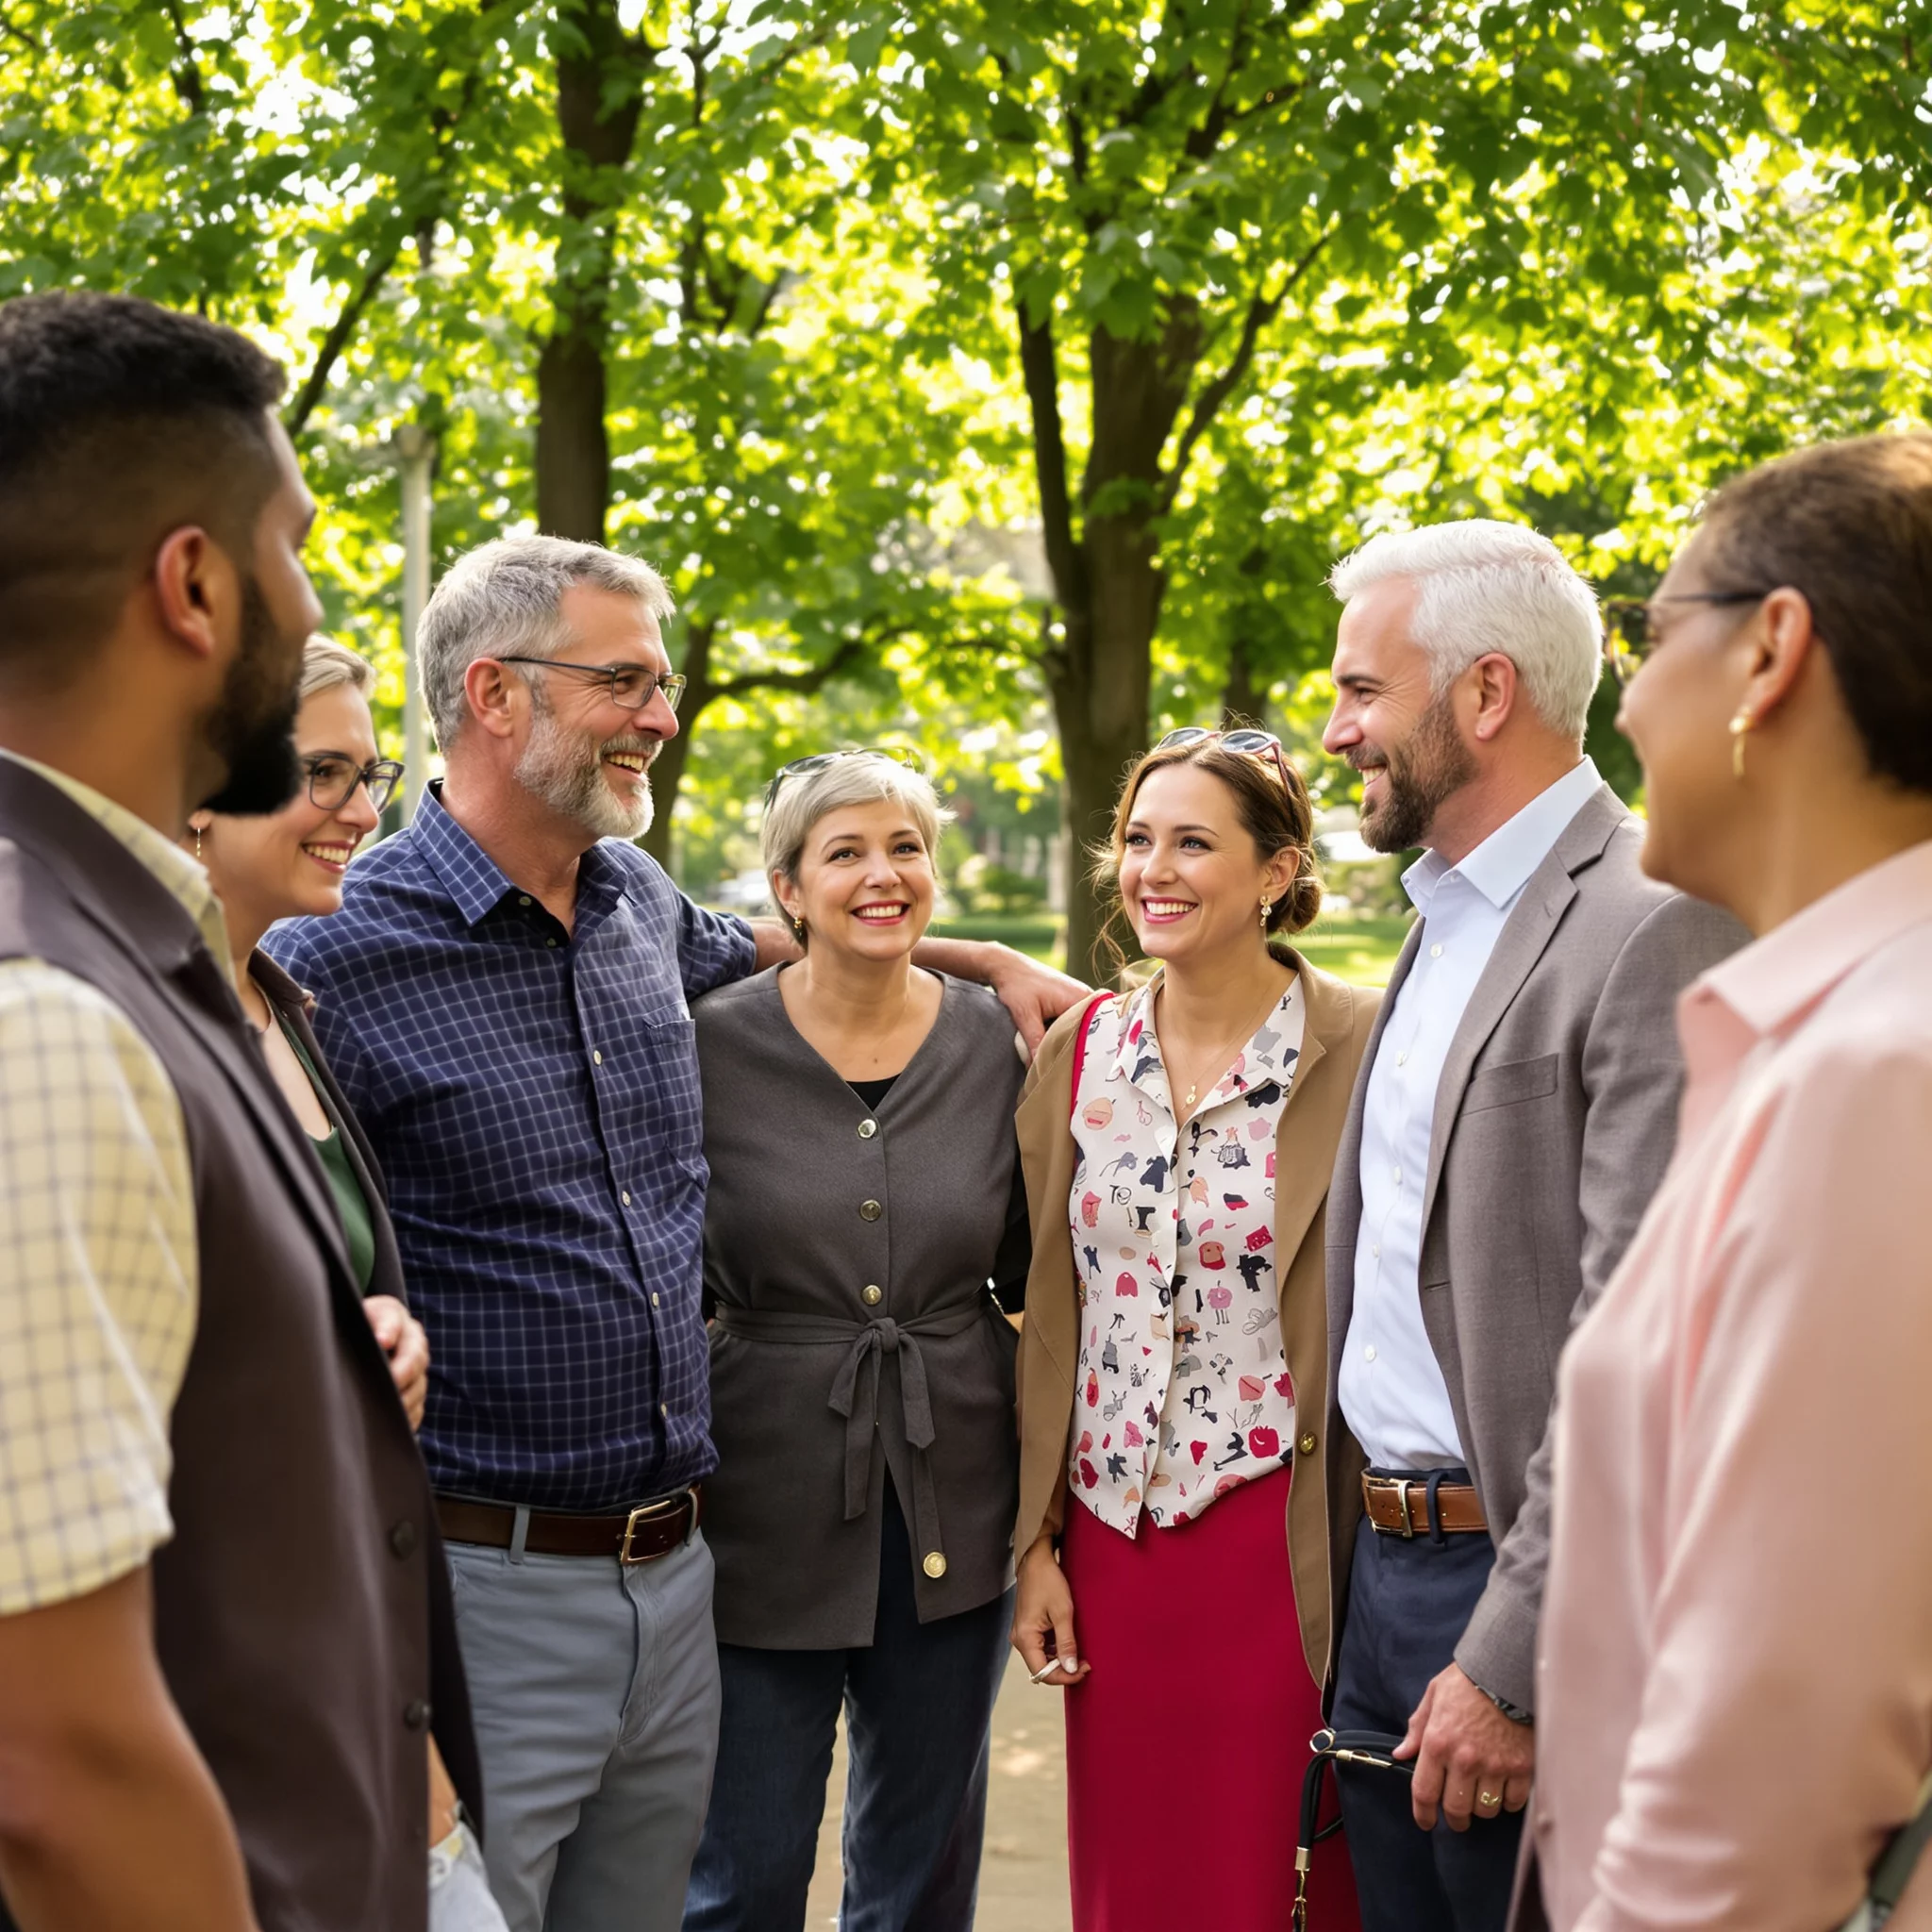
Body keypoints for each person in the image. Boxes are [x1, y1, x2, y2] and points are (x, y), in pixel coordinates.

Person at [263, 534, 1082, 1932]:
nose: (663, 716)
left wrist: (989, 961)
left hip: (680, 1579)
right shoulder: (329, 950)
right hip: (487, 1584)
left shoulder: (639, 906)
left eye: (665, 682)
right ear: (496, 697)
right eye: (626, 682)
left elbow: (809, 939)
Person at [0, 291, 475, 1932]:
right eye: (294, 542)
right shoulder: (42, 1011)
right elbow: (55, 1763)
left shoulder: (124, 946)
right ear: (192, 584)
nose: (313, 593)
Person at [1522, 435, 1932, 1930]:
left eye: (1648, 634)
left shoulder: (1879, 1075)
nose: (1625, 696)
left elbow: (1783, 1721)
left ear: (1772, 649)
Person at [1314, 520, 1743, 1932]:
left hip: (1517, 1596)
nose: (1334, 734)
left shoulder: (1652, 921)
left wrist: (1514, 1663)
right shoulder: (1440, 917)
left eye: (1362, 693)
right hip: (1386, 1582)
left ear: (1484, 695)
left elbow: (1648, 1338)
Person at [1009, 726, 1379, 1932]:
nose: (1150, 869)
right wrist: (1034, 1544)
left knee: (1277, 1880)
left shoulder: (1363, 1044)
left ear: (1276, 872)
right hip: (1113, 1546)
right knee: (1134, 1884)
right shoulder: (1080, 1052)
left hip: (1282, 1537)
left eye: (1191, 842)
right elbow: (1049, 1312)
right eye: (1135, 838)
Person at [682, 749, 1030, 1931]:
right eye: (845, 852)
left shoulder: (1001, 1043)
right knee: (742, 1870)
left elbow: (1042, 1271)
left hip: (956, 1496)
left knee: (921, 1874)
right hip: (759, 1499)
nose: (883, 875)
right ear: (786, 889)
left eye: (905, 848)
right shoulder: (704, 1043)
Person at [187, 633, 502, 1932]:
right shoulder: (103, 1020)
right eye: (324, 772)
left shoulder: (282, 1001)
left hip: (362, 1663)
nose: (366, 811)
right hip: (226, 1700)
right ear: (192, 788)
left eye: (371, 772)